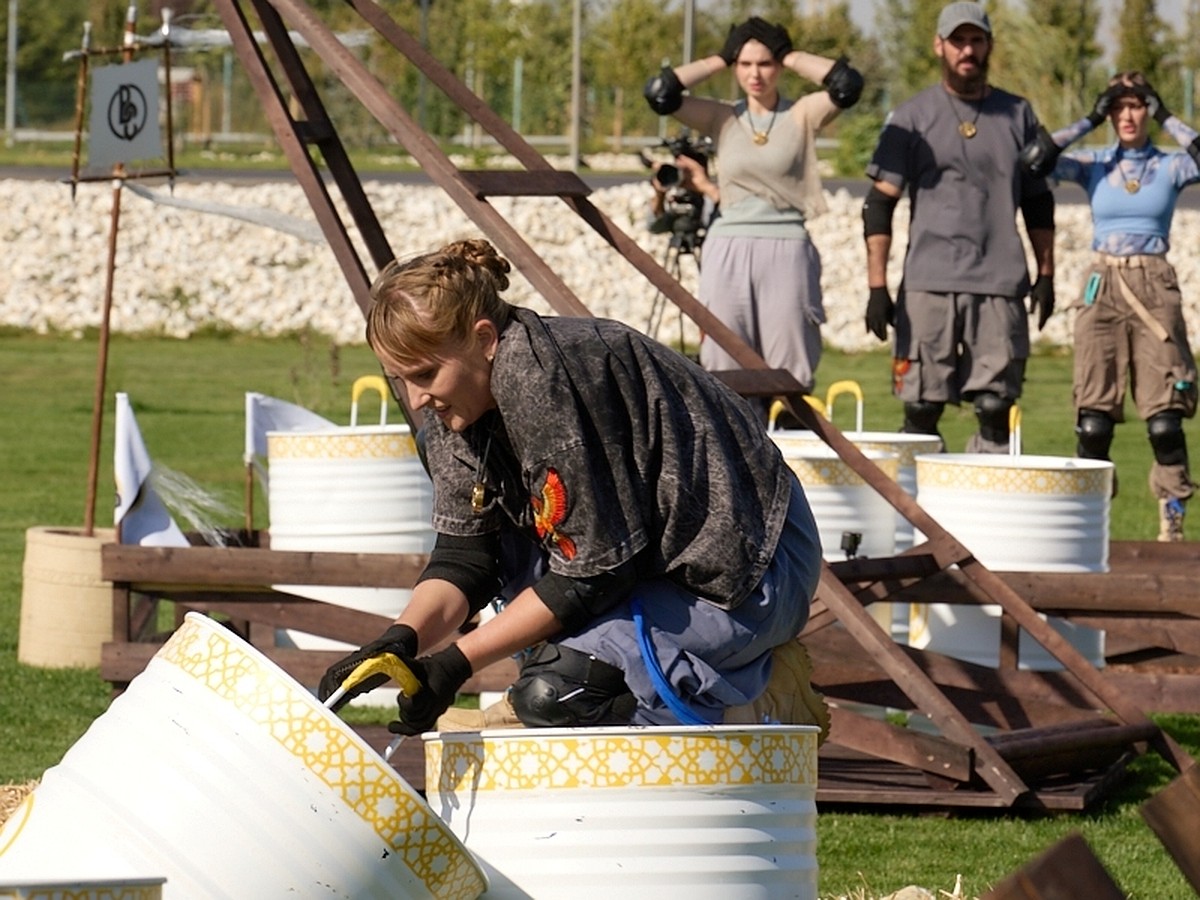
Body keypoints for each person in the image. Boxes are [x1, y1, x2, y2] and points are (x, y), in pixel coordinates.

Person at [318, 238, 829, 736]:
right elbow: (466, 557)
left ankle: (758, 691)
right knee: (554, 684)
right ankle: (553, 691)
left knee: (564, 693)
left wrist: (455, 663)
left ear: (484, 338)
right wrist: (399, 642)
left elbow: (594, 574)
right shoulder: (456, 408)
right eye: (398, 379)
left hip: (745, 572)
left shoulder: (544, 383)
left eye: (425, 374)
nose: (415, 398)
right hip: (640, 565)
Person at [643, 15, 863, 413]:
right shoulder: (722, 117)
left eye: (765, 63)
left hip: (787, 246)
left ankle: (791, 458)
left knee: (789, 373)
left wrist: (790, 53)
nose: (755, 74)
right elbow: (660, 93)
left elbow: (847, 86)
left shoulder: (803, 114)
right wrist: (722, 57)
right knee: (726, 368)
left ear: (778, 66)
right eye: (745, 64)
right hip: (727, 244)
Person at [862, 1, 1056, 453]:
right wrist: (877, 286)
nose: (967, 50)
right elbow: (878, 205)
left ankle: (985, 517)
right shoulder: (911, 117)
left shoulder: (1019, 115)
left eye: (976, 40)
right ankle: (919, 519)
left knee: (995, 408)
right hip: (929, 282)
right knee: (921, 409)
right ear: (939, 46)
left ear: (988, 46)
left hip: (999, 284)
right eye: (958, 41)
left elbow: (1039, 203)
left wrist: (1046, 274)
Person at [1019, 73, 1200, 540]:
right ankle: (1090, 517)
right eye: (1118, 108)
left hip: (1154, 280)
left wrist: (1166, 115)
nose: (1127, 116)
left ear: (1148, 112)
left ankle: (1172, 518)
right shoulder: (1093, 163)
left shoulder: (1170, 164)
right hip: (1103, 283)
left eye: (1137, 106)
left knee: (1164, 419)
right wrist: (1088, 118)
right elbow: (1034, 162)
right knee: (1094, 419)